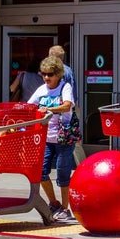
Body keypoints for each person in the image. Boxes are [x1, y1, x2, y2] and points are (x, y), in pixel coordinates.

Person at [27, 55, 76, 223]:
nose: (46, 78)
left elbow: (67, 105)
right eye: (44, 74)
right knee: (41, 172)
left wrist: (48, 109)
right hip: (46, 138)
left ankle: (65, 208)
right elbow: (29, 106)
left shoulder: (65, 87)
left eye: (50, 74)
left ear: (58, 74)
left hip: (63, 138)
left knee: (63, 173)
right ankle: (54, 203)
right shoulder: (41, 90)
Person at [48, 44, 85, 163]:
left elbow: (64, 96)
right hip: (70, 109)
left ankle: (81, 167)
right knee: (70, 141)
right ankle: (80, 166)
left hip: (64, 110)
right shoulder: (68, 70)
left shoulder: (61, 72)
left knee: (70, 141)